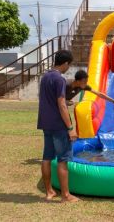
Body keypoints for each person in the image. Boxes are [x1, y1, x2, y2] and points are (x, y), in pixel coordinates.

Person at [37, 50, 79, 203]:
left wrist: (64, 102)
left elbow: (51, 100)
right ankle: (66, 196)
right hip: (59, 125)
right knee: (63, 160)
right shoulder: (60, 79)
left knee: (46, 158)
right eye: (69, 64)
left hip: (46, 123)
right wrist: (70, 128)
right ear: (66, 63)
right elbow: (61, 104)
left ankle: (49, 192)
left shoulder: (45, 77)